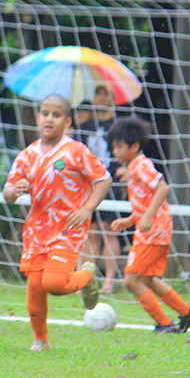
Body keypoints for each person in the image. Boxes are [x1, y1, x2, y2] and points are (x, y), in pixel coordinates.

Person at [3, 93, 110, 352]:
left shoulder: (76, 151)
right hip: (36, 231)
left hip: (67, 228)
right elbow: (7, 193)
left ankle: (87, 275)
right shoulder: (27, 155)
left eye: (56, 114)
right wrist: (14, 191)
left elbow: (104, 179)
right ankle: (41, 340)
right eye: (45, 113)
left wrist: (87, 208)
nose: (49, 119)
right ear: (38, 118)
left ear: (67, 121)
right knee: (35, 287)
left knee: (53, 284)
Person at [108, 116, 190, 333]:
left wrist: (148, 217)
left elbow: (162, 188)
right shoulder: (134, 168)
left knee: (131, 280)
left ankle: (164, 323)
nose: (115, 152)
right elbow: (146, 200)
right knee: (148, 279)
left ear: (134, 146)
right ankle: (187, 312)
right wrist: (131, 219)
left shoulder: (141, 166)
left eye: (119, 147)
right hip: (156, 229)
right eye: (114, 147)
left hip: (154, 230)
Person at [77, 86, 121, 293]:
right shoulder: (83, 126)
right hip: (87, 186)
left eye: (107, 93)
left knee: (108, 230)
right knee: (90, 232)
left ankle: (110, 281)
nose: (102, 97)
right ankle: (86, 279)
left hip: (112, 184)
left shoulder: (119, 126)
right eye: (98, 93)